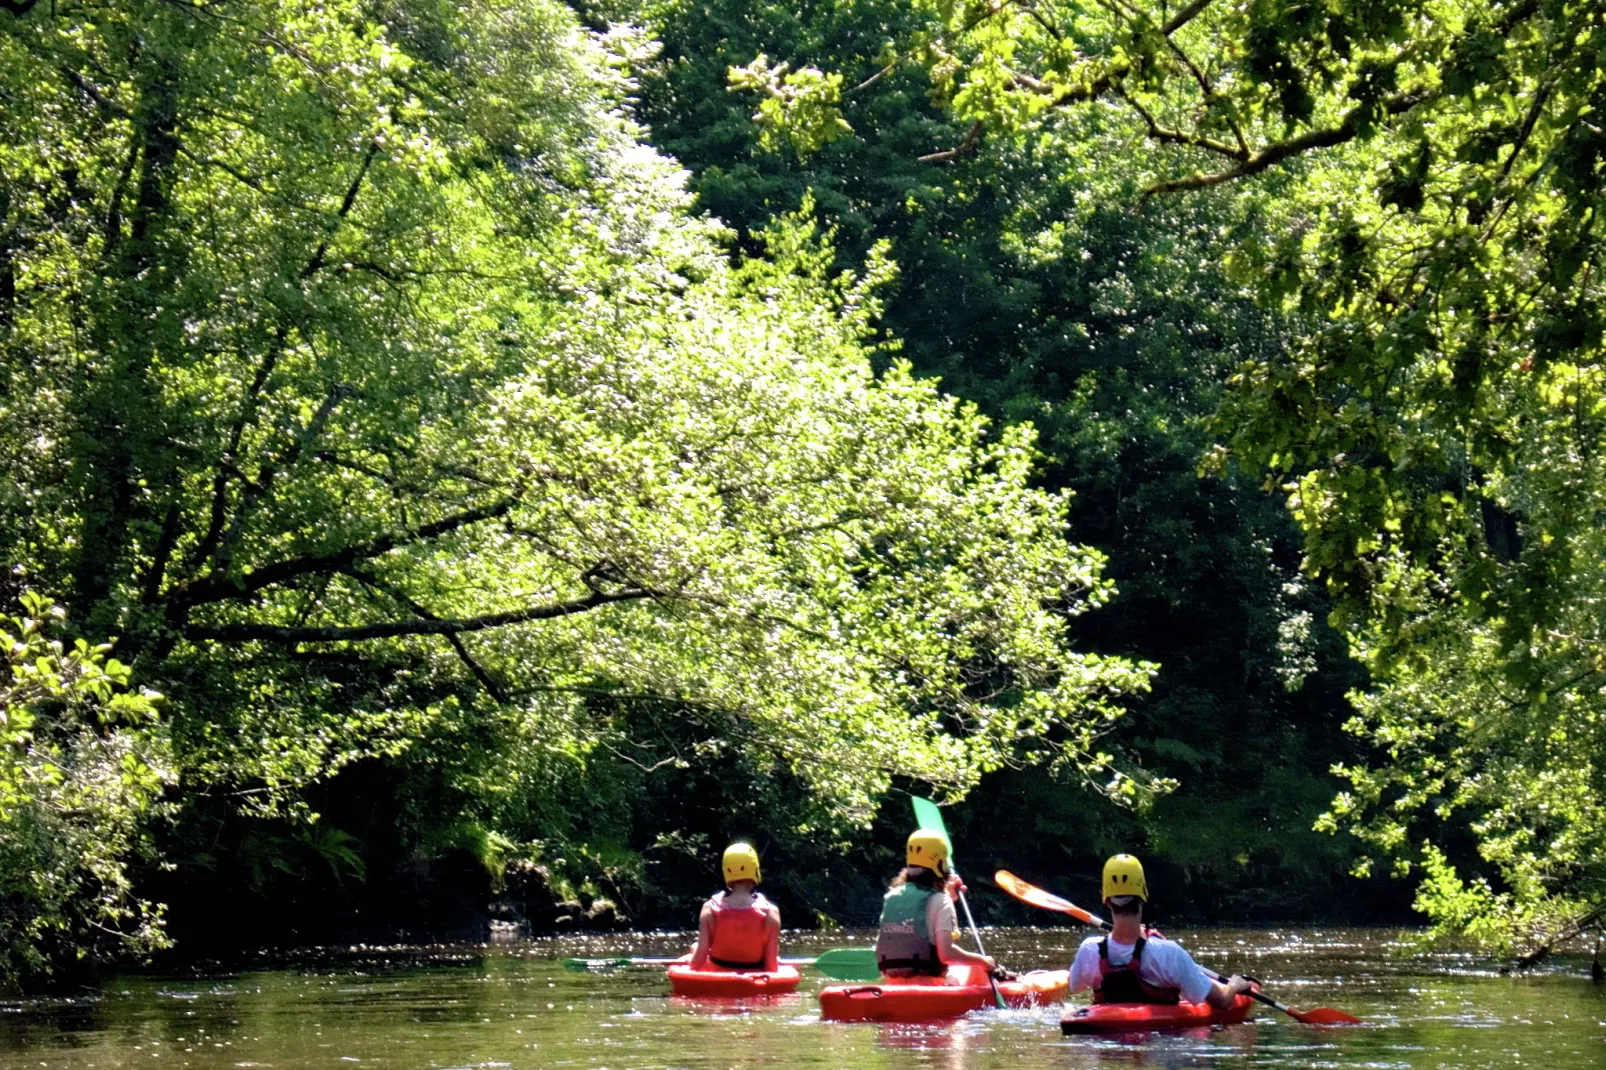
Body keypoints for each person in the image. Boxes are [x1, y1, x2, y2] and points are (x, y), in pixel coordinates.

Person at [1067, 854, 1255, 1008]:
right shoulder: (1168, 953)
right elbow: (1221, 1002)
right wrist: (1233, 986)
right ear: (1143, 895)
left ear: (1106, 899)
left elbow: (1074, 986)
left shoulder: (1089, 950)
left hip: (1103, 1048)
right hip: (1161, 1045)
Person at [874, 830, 997, 978]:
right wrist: (983, 961)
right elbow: (946, 955)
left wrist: (948, 895)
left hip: (893, 983)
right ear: (939, 864)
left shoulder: (891, 896)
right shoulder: (941, 901)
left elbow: (922, 920)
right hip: (929, 983)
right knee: (978, 968)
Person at [688, 842, 781, 972]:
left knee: (694, 947)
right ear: (754, 869)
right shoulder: (771, 913)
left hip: (717, 979)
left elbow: (697, 964)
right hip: (754, 983)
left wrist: (690, 958)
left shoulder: (709, 908)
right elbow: (771, 968)